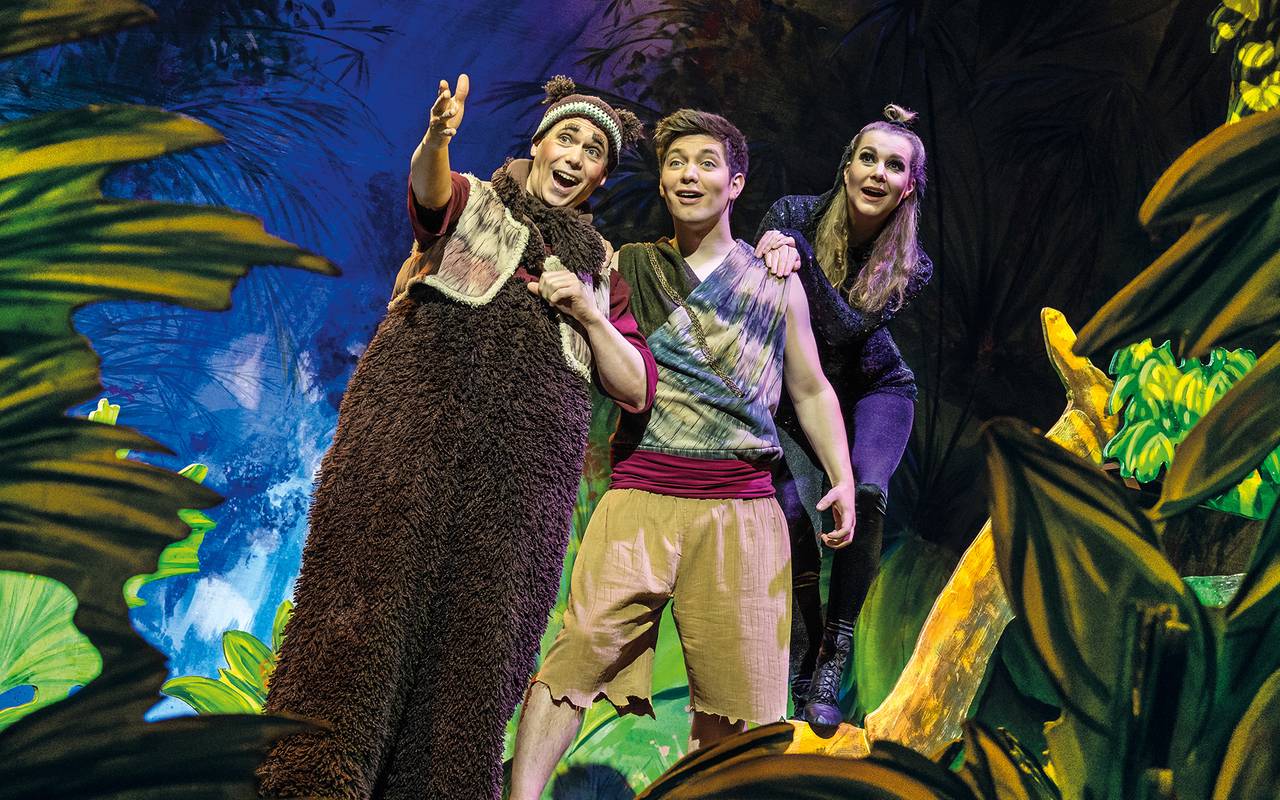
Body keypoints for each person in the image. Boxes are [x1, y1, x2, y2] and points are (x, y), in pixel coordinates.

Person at [257, 74, 658, 800]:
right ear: (539, 143)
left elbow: (634, 388)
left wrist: (589, 314)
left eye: (594, 150)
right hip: (408, 446)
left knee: (477, 652)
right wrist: (436, 139)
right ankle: (311, 782)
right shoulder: (479, 202)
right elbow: (431, 196)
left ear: (602, 176)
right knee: (360, 618)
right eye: (566, 137)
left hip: (517, 489)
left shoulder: (603, 270)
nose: (576, 155)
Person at [508, 109, 857, 800]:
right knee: (574, 662)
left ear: (736, 182)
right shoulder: (626, 264)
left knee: (735, 702)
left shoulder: (775, 277)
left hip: (741, 511)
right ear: (662, 183)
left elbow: (811, 387)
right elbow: (534, 210)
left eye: (705, 163)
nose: (688, 176)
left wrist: (841, 477)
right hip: (640, 497)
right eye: (675, 164)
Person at [753, 104, 933, 726]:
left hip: (875, 391)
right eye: (868, 158)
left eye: (895, 166)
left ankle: (836, 650)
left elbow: (844, 328)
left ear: (908, 187)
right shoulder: (792, 215)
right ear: (847, 166)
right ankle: (803, 667)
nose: (878, 172)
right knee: (794, 513)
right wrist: (775, 250)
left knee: (869, 492)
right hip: (796, 397)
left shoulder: (912, 265)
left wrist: (799, 257)